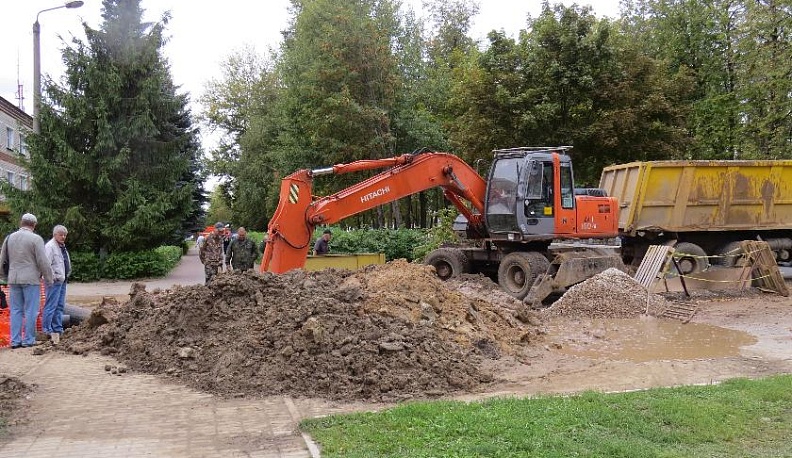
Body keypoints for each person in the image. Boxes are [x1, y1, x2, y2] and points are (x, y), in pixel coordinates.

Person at [0, 213, 54, 349]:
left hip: (14, 279)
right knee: (31, 310)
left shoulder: (9, 238)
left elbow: (2, 259)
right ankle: (28, 340)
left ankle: (15, 341)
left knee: (16, 310)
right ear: (34, 225)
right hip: (31, 280)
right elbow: (43, 261)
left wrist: (3, 277)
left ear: (21, 223)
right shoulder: (36, 239)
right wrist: (49, 279)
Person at [42, 225, 70, 345]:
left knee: (59, 306)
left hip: (62, 280)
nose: (63, 237)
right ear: (55, 234)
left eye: (64, 235)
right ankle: (47, 329)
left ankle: (58, 328)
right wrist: (52, 278)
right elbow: (46, 265)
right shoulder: (50, 246)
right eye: (61, 234)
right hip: (54, 281)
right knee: (51, 305)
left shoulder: (61, 247)